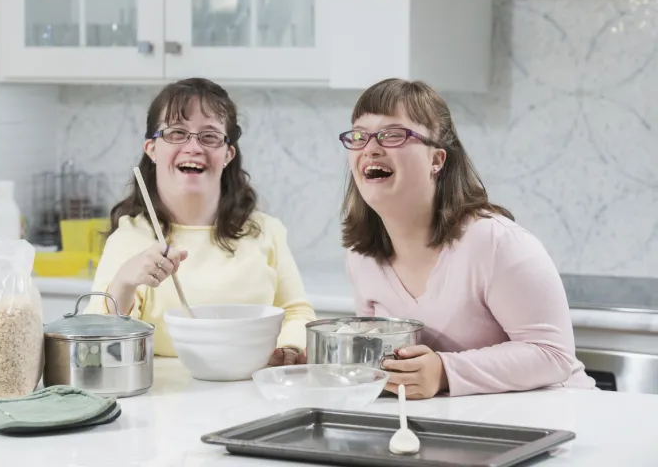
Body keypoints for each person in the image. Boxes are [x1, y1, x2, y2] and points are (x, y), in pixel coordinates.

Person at [339, 78, 596, 399]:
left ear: (437, 160)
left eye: (392, 135)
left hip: (558, 420)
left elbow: (553, 355)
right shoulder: (361, 258)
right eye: (359, 136)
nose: (370, 148)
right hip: (456, 423)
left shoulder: (497, 243)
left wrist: (445, 372)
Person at [84, 77, 314, 366]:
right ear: (152, 149)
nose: (193, 147)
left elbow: (297, 313)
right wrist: (125, 281)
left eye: (209, 136)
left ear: (228, 154)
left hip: (254, 391)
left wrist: (290, 350)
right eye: (177, 133)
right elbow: (98, 341)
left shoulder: (267, 232)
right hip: (166, 398)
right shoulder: (129, 239)